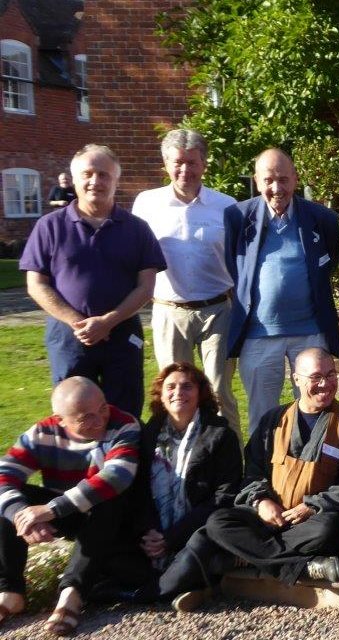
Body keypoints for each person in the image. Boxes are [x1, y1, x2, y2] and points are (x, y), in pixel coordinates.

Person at [161, 348, 339, 609]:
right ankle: (300, 566)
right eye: (316, 377)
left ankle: (248, 555)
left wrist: (312, 506)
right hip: (269, 519)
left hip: (313, 519)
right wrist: (261, 500)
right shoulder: (274, 421)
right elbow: (253, 469)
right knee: (219, 522)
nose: (325, 384)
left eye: (331, 375)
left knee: (328, 530)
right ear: (296, 379)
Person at [20, 144, 166, 420]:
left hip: (122, 336)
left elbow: (146, 286)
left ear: (115, 180)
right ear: (74, 179)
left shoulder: (136, 229)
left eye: (104, 174)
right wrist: (79, 322)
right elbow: (36, 284)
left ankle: (123, 464)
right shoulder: (49, 226)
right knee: (73, 414)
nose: (95, 181)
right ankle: (78, 465)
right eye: (88, 174)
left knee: (125, 415)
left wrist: (107, 321)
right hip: (68, 338)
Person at [0, 378, 141, 635]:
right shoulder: (43, 433)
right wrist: (22, 517)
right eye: (86, 417)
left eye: (102, 408)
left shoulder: (124, 424)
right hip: (70, 511)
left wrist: (50, 510)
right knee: (10, 497)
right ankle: (9, 591)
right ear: (60, 419)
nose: (100, 420)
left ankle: (72, 594)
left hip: (115, 520)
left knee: (108, 496)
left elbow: (117, 477)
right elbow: (5, 473)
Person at [226, 148, 339, 434]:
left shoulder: (321, 218)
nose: (276, 188)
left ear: (295, 179)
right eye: (268, 180)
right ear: (256, 181)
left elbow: (329, 262)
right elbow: (233, 268)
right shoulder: (237, 217)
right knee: (262, 417)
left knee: (315, 411)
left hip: (310, 333)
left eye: (283, 179)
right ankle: (261, 474)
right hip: (259, 335)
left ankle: (312, 472)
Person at [134, 129, 241, 432]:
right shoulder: (146, 204)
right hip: (170, 310)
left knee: (219, 391)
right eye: (177, 163)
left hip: (218, 309)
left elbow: (239, 258)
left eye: (192, 163)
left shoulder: (226, 205)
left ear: (204, 164)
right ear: (166, 163)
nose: (185, 170)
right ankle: (176, 463)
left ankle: (230, 465)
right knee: (175, 392)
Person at [110, 363, 242, 600]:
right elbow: (137, 491)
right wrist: (150, 532)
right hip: (151, 535)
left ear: (200, 393)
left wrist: (171, 538)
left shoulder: (220, 435)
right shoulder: (148, 435)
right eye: (171, 387)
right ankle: (174, 586)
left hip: (194, 531)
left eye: (187, 386)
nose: (178, 392)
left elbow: (224, 496)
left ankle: (142, 594)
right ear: (161, 395)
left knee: (203, 544)